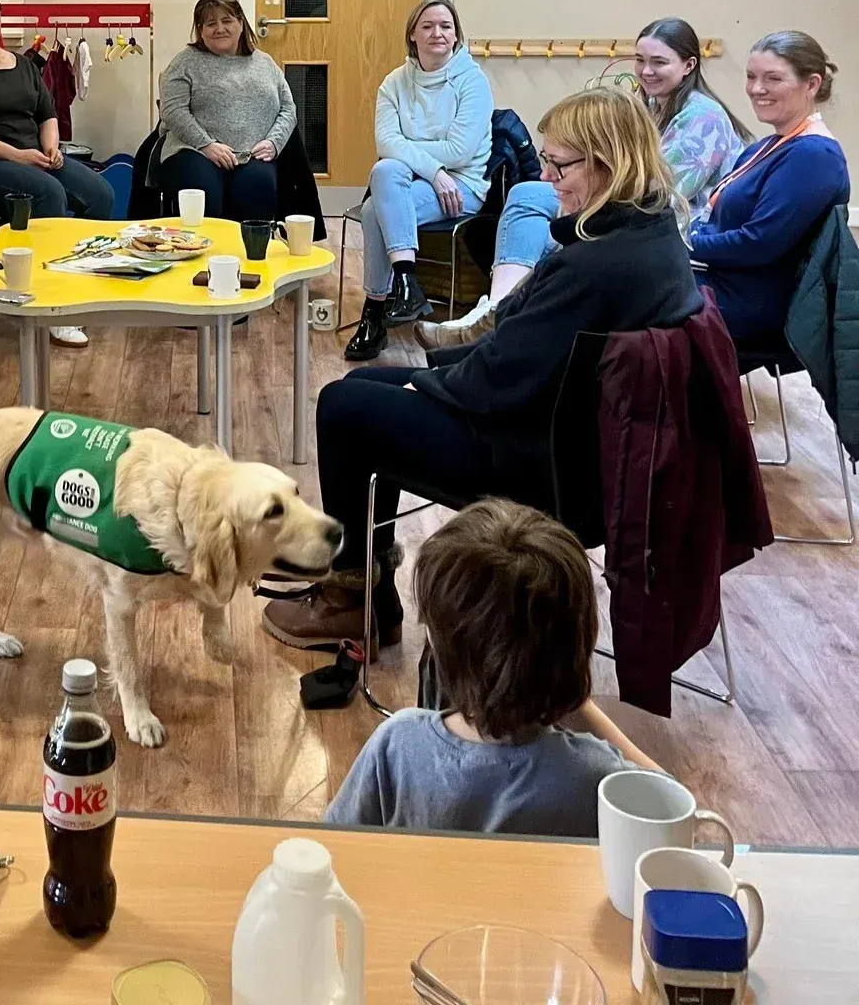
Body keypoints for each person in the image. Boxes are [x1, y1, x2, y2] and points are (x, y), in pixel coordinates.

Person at [265, 87, 698, 652]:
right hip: (580, 445)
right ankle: (367, 590)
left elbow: (503, 374)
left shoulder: (596, 264)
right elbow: (523, 357)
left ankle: (354, 600)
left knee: (344, 406)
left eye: (559, 165)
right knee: (362, 386)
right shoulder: (648, 236)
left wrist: (429, 380)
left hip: (548, 467)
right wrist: (435, 374)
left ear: (608, 165)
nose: (546, 178)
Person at [325, 499, 658, 836]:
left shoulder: (398, 744)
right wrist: (576, 700)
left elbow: (333, 843)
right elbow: (676, 815)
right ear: (580, 644)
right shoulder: (594, 773)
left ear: (438, 647)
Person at [419, 15, 751, 352]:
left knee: (539, 209)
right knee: (531, 202)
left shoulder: (703, 117)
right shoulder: (651, 106)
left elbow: (651, 190)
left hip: (669, 233)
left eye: (659, 62)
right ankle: (498, 313)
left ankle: (496, 318)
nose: (646, 70)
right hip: (639, 218)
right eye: (640, 60)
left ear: (688, 65)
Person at [0, 0, 115, 348]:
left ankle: (77, 284)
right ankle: (48, 305)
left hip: (35, 156)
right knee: (48, 193)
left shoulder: (23, 64)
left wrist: (50, 146)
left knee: (100, 194)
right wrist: (17, 155)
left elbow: (47, 113)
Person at [343, 0, 494, 361]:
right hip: (408, 181)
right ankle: (407, 282)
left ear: (457, 36)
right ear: (412, 36)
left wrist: (429, 165)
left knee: (372, 212)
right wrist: (433, 169)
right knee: (385, 169)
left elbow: (459, 151)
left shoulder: (473, 81)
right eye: (427, 26)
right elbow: (386, 144)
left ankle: (374, 315)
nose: (437, 33)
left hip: (462, 187)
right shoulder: (394, 83)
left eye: (445, 26)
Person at [690, 30, 849, 344]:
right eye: (751, 77)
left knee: (622, 294)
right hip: (722, 281)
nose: (757, 89)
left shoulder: (814, 156)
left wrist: (682, 246)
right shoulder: (767, 146)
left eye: (773, 79)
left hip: (753, 304)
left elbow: (758, 243)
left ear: (812, 84)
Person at [156, 0, 296, 220]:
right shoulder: (185, 62)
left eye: (227, 21)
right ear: (201, 31)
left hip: (252, 153)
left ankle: (249, 254)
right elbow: (172, 111)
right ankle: (202, 254)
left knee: (257, 188)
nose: (219, 28)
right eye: (211, 23)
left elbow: (288, 109)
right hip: (194, 150)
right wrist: (207, 145)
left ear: (241, 23)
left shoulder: (265, 63)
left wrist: (274, 142)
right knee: (203, 192)